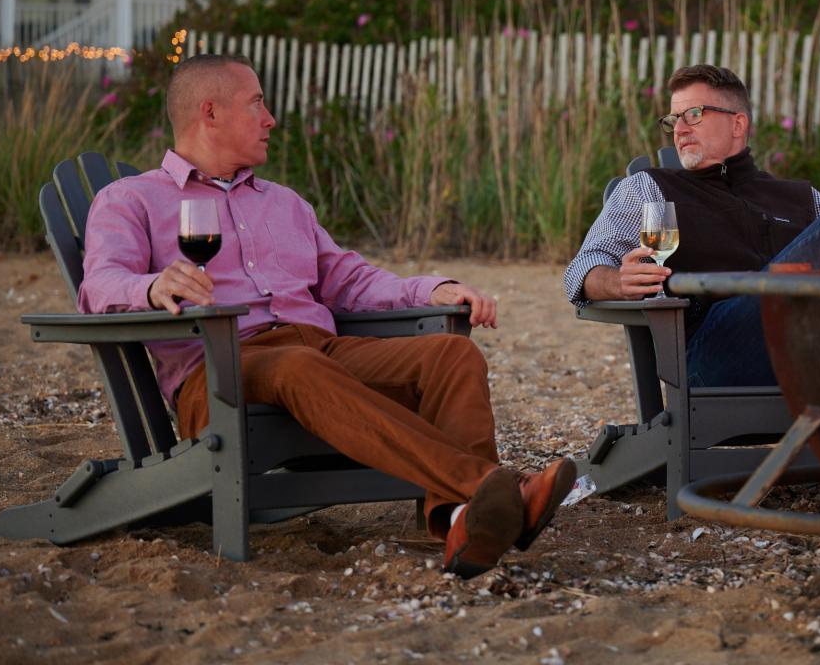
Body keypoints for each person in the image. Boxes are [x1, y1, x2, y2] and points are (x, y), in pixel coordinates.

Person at [78, 54, 574, 578]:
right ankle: (496, 487)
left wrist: (435, 288)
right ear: (211, 113)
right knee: (296, 364)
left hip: (321, 350)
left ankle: (459, 519)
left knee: (451, 354)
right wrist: (153, 286)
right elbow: (99, 285)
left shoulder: (286, 204)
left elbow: (348, 279)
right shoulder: (130, 199)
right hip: (220, 372)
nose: (270, 119)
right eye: (258, 104)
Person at [564, 64, 820, 387]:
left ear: (738, 124)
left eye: (693, 114)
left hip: (811, 347)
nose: (679, 130)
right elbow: (583, 268)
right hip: (714, 354)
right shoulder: (650, 189)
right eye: (674, 120)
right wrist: (618, 282)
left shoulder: (804, 199)